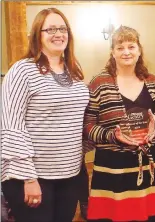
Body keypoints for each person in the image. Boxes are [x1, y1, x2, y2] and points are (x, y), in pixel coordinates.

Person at [1, 8, 89, 222]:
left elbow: (78, 119)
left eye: (62, 28)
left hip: (70, 174)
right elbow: (12, 126)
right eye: (50, 29)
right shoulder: (22, 70)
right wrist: (28, 178)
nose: (58, 34)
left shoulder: (73, 70)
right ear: (37, 35)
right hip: (33, 177)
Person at [83, 26, 155, 222]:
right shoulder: (99, 83)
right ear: (112, 52)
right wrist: (112, 136)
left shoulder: (153, 82)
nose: (126, 52)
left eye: (131, 46)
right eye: (120, 47)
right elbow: (88, 125)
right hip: (113, 169)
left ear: (139, 50)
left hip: (149, 169)